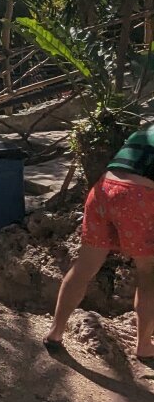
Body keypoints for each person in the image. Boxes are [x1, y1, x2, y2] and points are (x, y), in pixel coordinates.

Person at [45, 123, 154, 360]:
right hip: (138, 197)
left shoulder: (144, 131)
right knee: (149, 274)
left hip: (103, 190)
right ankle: (145, 346)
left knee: (84, 266)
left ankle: (55, 332)